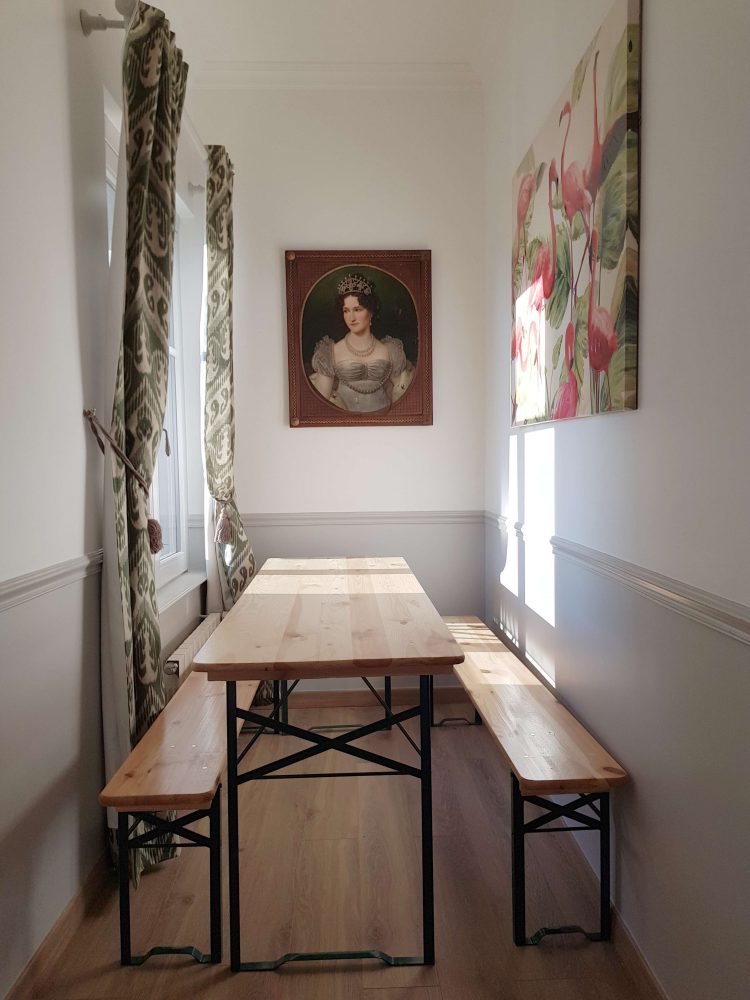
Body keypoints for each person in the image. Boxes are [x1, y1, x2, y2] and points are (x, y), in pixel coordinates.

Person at [310, 273, 414, 413]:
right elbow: (320, 404)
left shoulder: (390, 349)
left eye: (358, 310)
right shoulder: (330, 352)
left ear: (371, 312)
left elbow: (402, 394)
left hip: (384, 424)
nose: (351, 318)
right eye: (346, 311)